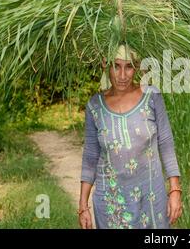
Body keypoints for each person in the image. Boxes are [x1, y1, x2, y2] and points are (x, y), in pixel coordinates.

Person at [78, 44, 182, 229]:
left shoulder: (152, 96)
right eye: (116, 66)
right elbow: (90, 157)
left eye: (129, 67)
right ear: (105, 65)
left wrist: (175, 190)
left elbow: (166, 144)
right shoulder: (95, 106)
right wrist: (83, 205)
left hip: (150, 200)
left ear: (137, 67)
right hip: (111, 204)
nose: (122, 75)